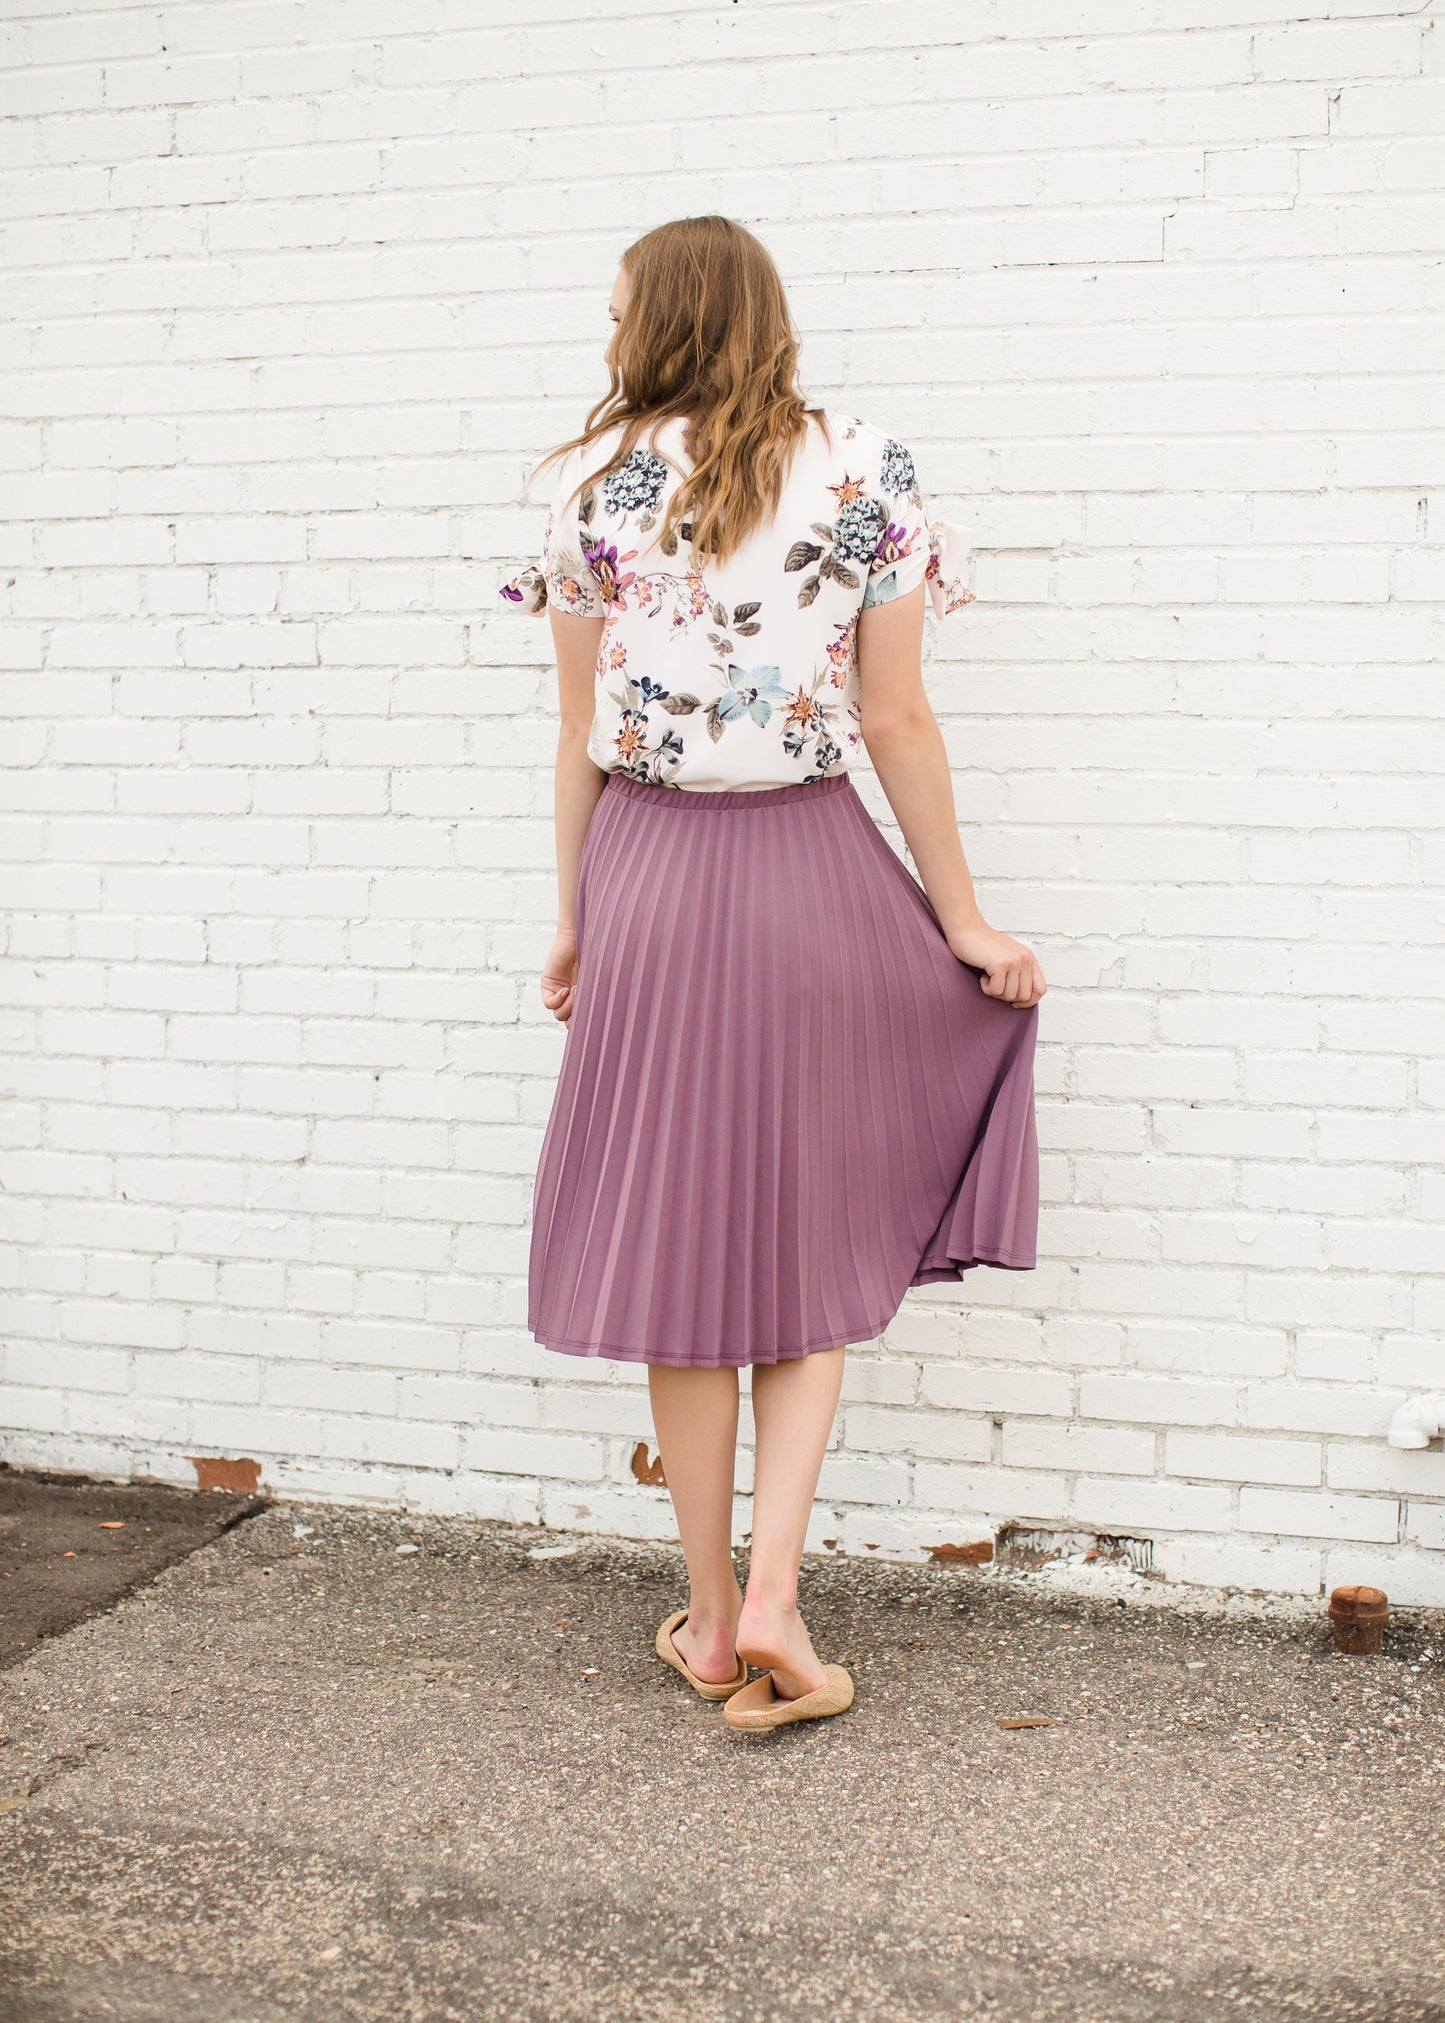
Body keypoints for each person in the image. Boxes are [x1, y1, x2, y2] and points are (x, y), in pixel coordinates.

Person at [498, 215, 1043, 1735]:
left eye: (616, 311)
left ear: (660, 321)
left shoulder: (583, 485)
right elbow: (896, 722)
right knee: (801, 1254)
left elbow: (574, 734)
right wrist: (965, 924)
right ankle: (779, 1604)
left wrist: (573, 919)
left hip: (652, 881)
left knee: (683, 1260)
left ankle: (715, 1631)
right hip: (812, 874)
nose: (606, 334)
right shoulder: (868, 463)